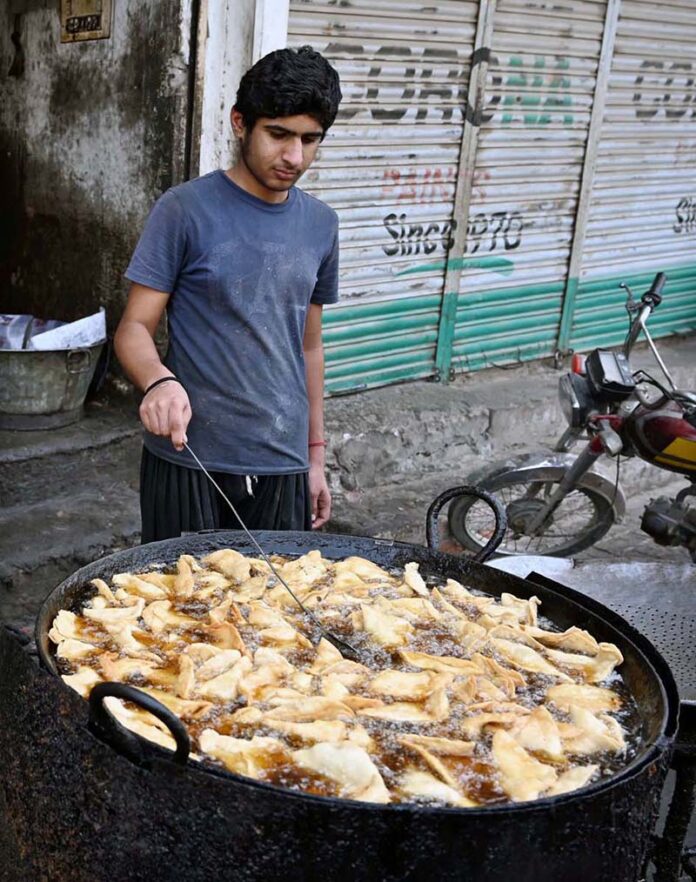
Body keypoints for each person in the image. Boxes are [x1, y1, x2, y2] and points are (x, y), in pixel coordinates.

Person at [114, 46, 342, 543]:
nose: (293, 157)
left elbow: (309, 346)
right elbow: (134, 328)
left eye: (309, 139)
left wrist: (315, 455)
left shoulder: (322, 225)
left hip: (282, 459)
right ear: (240, 123)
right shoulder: (184, 210)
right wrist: (157, 382)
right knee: (179, 605)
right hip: (189, 454)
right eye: (278, 134)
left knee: (274, 611)